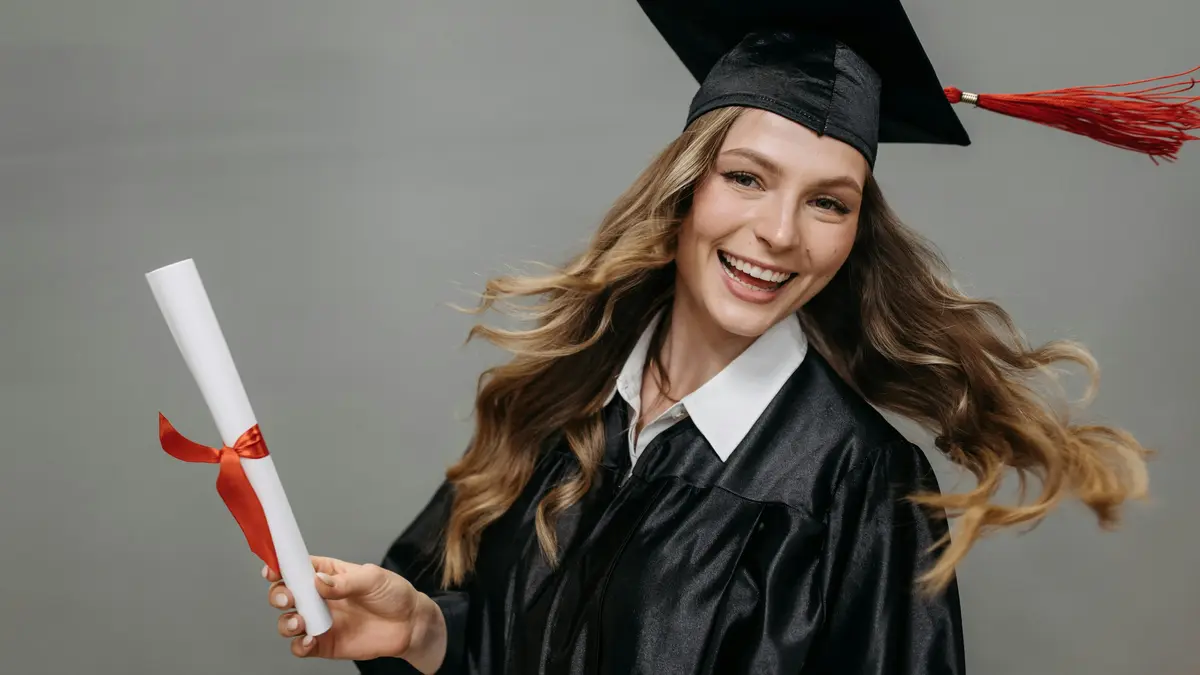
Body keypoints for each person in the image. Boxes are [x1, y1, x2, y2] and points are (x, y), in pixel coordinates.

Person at [260, 0, 1195, 672]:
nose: (780, 233)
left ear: (852, 233)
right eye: (748, 178)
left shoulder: (858, 489)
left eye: (828, 202)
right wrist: (423, 631)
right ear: (686, 191)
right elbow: (488, 636)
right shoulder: (565, 404)